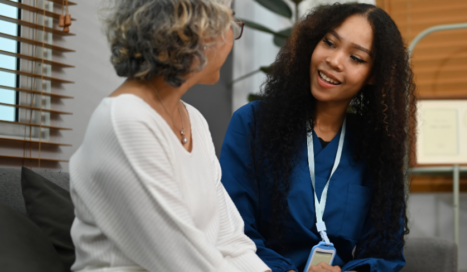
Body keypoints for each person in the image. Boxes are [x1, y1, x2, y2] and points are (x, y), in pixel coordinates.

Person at [68, 0, 269, 271]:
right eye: (230, 25)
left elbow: (230, 239)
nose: (233, 38)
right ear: (193, 35)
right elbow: (184, 262)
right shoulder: (125, 121)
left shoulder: (194, 120)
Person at [220, 3, 416, 272]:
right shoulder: (252, 124)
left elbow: (384, 252)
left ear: (373, 76)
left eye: (356, 58)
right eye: (329, 43)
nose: (334, 61)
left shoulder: (376, 148)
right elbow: (233, 228)